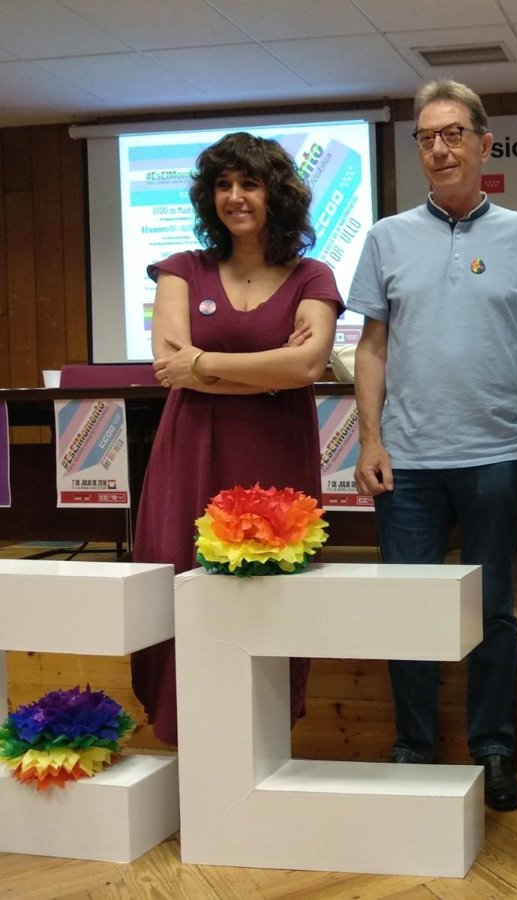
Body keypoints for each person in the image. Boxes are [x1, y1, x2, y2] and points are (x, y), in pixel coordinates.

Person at [348, 79, 517, 812]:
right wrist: (369, 439)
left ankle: (493, 748)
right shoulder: (386, 237)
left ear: (484, 144)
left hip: (499, 452)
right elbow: (371, 348)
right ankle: (414, 746)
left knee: (492, 607)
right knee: (408, 609)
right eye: (426, 137)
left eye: (453, 134)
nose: (439, 148)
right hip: (407, 461)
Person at [132, 132, 344, 746]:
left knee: (272, 590)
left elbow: (308, 366)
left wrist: (205, 364)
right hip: (193, 450)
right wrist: (267, 371)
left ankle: (263, 737)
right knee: (181, 579)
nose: (235, 196)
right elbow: (170, 367)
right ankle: (187, 736)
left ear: (277, 194)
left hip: (278, 457)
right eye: (222, 185)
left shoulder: (312, 275)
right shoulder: (181, 269)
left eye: (249, 183)